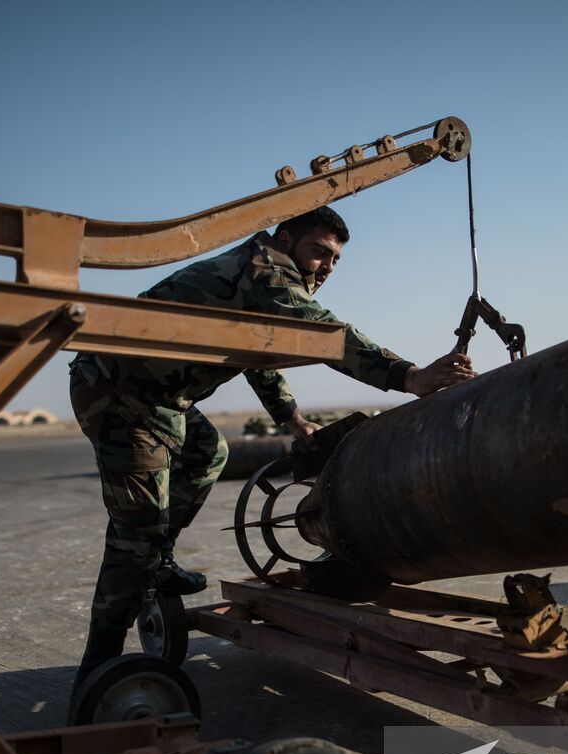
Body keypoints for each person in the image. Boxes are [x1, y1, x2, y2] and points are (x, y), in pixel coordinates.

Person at [67, 206, 474, 699]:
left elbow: (255, 353)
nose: (325, 266)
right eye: (319, 251)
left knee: (207, 451)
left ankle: (159, 559)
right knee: (135, 536)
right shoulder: (266, 268)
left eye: (335, 260)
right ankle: (98, 668)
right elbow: (325, 333)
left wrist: (290, 418)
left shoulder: (258, 278)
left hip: (160, 396)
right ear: (286, 238)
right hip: (119, 393)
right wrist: (409, 377)